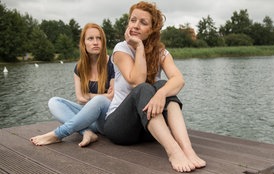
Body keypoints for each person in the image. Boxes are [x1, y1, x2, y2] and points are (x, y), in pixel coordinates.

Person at [101, 1, 206, 172]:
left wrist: (162, 94)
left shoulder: (160, 52)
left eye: (143, 22)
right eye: (133, 20)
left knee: (163, 84)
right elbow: (137, 81)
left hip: (148, 128)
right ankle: (174, 152)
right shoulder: (121, 49)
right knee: (144, 88)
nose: (135, 26)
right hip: (120, 127)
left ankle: (187, 149)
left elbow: (179, 80)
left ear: (152, 29)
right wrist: (139, 47)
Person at [30, 23, 114, 147]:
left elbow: (112, 97)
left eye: (99, 38)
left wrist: (91, 96)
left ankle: (57, 134)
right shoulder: (79, 68)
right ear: (83, 43)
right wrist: (100, 96)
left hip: (105, 120)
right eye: (90, 38)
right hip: (88, 118)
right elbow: (80, 98)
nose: (95, 42)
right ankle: (86, 132)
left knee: (99, 100)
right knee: (54, 101)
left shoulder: (112, 63)